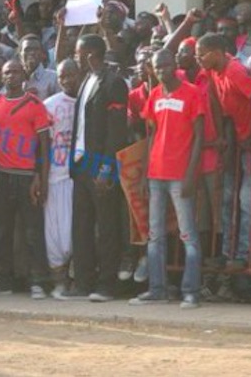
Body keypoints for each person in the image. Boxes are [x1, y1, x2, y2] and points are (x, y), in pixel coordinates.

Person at [129, 49, 204, 309]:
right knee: (155, 235)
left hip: (180, 174)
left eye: (165, 65)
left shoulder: (192, 93)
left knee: (188, 234)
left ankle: (191, 291)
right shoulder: (155, 95)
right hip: (156, 174)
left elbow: (199, 136)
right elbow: (152, 134)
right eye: (157, 67)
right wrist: (144, 173)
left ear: (175, 65)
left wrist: (191, 174)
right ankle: (157, 289)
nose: (162, 71)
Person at [0, 59, 52, 298]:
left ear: (24, 76)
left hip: (28, 178)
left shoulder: (35, 104)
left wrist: (41, 178)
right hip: (2, 176)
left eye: (16, 71)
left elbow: (44, 145)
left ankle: (39, 282)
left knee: (33, 232)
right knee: (3, 231)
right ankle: (3, 282)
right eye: (7, 72)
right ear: (1, 76)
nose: (11, 75)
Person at [196, 32, 251, 270]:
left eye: (201, 55)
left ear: (217, 53)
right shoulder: (212, 70)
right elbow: (216, 103)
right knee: (227, 198)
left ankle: (245, 254)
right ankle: (228, 253)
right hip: (235, 141)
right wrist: (224, 136)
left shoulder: (235, 70)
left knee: (246, 200)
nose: (198, 59)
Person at [69, 34, 129, 301]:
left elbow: (116, 132)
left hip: (100, 165)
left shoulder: (114, 83)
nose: (75, 57)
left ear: (90, 54)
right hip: (81, 164)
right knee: (81, 226)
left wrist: (106, 168)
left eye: (78, 53)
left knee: (106, 226)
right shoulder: (86, 80)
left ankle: (107, 284)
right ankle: (83, 282)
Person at [43, 58, 83, 299]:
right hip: (55, 177)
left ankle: (76, 279)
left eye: (71, 75)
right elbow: (42, 145)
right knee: (54, 235)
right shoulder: (49, 105)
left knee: (74, 232)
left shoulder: (87, 100)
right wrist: (41, 178)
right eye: (62, 77)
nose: (67, 80)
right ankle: (59, 282)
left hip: (79, 178)